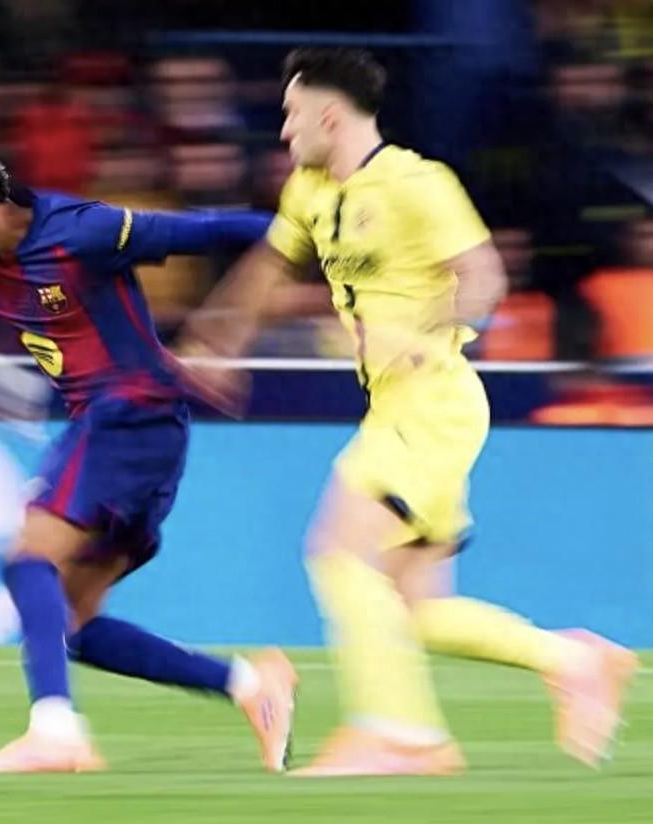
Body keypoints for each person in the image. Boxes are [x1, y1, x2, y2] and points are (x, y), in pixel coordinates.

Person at [179, 48, 636, 776]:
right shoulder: (309, 189)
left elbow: (483, 277)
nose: (285, 131)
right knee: (413, 608)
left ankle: (401, 734)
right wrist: (218, 339)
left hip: (432, 401)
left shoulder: (418, 183)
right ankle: (573, 659)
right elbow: (268, 265)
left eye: (293, 115)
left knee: (338, 553)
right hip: (402, 408)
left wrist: (422, 333)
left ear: (331, 116)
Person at [0, 131, 298, 775]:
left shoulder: (82, 230)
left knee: (27, 561)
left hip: (130, 418)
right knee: (73, 624)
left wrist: (310, 242)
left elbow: (216, 231)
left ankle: (55, 732)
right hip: (131, 428)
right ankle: (251, 685)